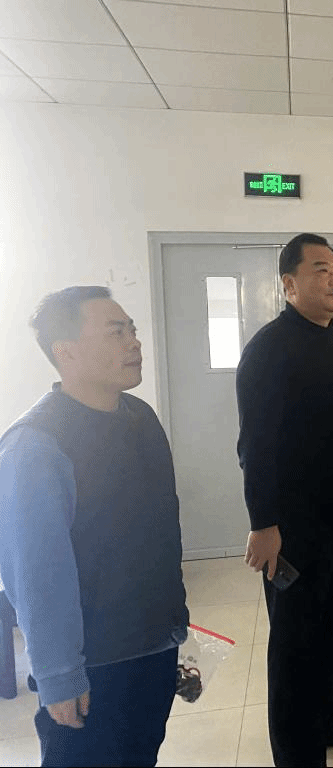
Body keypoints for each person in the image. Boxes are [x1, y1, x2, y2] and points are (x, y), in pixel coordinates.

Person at [0, 286, 189, 767]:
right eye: (115, 333)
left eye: (132, 330)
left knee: (140, 754)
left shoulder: (140, 417)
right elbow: (35, 576)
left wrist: (173, 625)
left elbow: (155, 534)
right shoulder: (35, 445)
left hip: (153, 642)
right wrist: (60, 676)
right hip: (94, 664)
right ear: (65, 351)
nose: (134, 342)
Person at [235, 233, 333, 767]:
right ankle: (297, 754)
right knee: (296, 641)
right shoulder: (269, 349)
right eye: (321, 269)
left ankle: (323, 720)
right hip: (296, 527)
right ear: (289, 284)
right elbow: (256, 446)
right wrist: (264, 523)